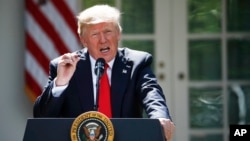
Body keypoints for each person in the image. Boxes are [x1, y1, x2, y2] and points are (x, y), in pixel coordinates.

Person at [33, 4, 175, 141]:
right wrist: (61, 83)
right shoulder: (66, 66)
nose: (103, 40)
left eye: (108, 31)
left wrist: (160, 118)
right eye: (95, 34)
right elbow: (41, 117)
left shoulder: (137, 62)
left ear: (118, 34)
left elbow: (152, 94)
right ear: (83, 41)